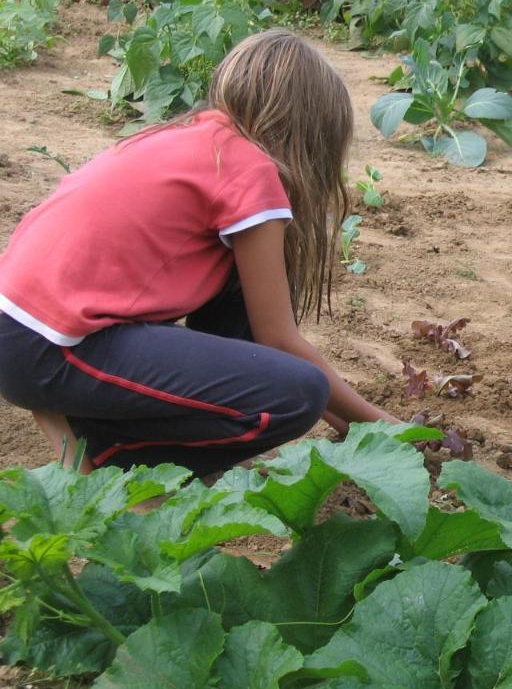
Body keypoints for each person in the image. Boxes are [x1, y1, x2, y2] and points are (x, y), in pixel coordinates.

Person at [0, 29, 398, 477]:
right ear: (312, 131)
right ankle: (111, 450)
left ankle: (87, 425)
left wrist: (344, 420)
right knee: (297, 393)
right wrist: (386, 428)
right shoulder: (251, 171)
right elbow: (280, 341)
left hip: (21, 331)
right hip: (52, 349)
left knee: (238, 292)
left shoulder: (179, 136)